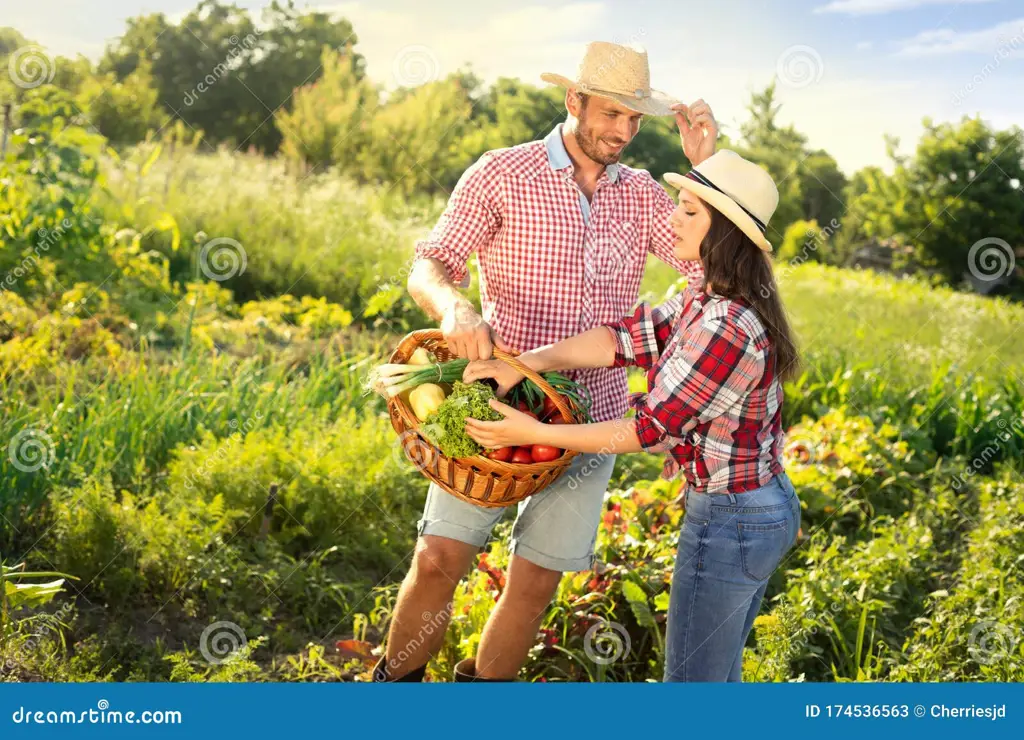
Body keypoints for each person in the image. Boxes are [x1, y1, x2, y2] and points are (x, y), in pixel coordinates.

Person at [374, 41, 719, 682]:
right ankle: (392, 692)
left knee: (534, 582)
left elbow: (717, 272)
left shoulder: (643, 195)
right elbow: (433, 262)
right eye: (610, 114)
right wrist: (454, 308)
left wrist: (708, 170)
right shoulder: (504, 172)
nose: (622, 132)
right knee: (439, 559)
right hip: (495, 408)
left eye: (634, 119)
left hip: (594, 421)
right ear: (573, 100)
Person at [462, 149, 803, 682]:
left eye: (690, 212)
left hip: (736, 518)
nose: (672, 219)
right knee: (716, 678)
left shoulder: (726, 327)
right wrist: (527, 365)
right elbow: (622, 339)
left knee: (691, 685)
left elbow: (648, 428)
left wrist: (532, 431)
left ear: (726, 233)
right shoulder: (704, 300)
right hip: (742, 509)